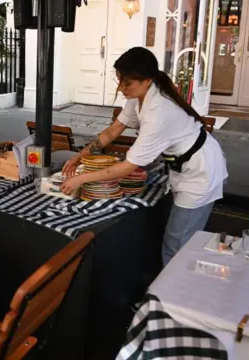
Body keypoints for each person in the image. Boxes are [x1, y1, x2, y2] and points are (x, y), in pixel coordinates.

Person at [61, 47, 228, 266]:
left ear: (147, 80)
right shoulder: (138, 96)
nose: (121, 87)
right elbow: (113, 131)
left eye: (127, 82)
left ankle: (172, 296)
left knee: (177, 244)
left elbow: (127, 166)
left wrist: (81, 178)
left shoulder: (158, 112)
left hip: (201, 172)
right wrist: (79, 157)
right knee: (177, 238)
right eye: (120, 80)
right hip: (184, 166)